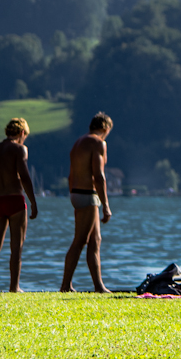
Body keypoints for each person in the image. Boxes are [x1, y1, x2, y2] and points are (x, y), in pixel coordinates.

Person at [0, 118, 38, 293]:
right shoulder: (19, 149)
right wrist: (33, 202)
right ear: (22, 133)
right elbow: (25, 176)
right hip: (15, 201)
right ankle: (14, 287)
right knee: (16, 247)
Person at [60, 112, 113, 293]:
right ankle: (65, 285)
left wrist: (72, 195)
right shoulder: (98, 143)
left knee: (95, 240)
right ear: (105, 129)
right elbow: (99, 176)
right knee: (80, 241)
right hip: (88, 194)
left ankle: (99, 286)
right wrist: (106, 205)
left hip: (77, 192)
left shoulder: (78, 143)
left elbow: (71, 174)